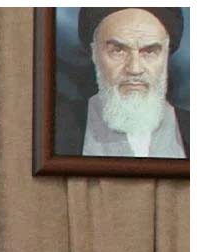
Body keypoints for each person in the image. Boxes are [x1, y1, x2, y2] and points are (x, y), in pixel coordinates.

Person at [55, 7, 189, 158]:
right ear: (94, 53)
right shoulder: (54, 127)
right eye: (118, 51)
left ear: (166, 55)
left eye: (149, 52)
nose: (135, 69)